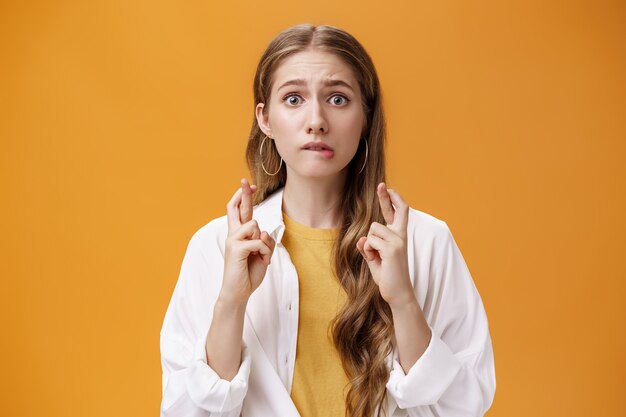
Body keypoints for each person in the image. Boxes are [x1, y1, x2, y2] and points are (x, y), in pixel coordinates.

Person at [159, 23, 496, 417]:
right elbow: (186, 412)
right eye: (294, 99)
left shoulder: (426, 243)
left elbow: (465, 407)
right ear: (265, 119)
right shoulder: (217, 246)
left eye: (338, 99)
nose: (316, 119)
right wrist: (231, 303)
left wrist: (403, 301)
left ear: (366, 117)